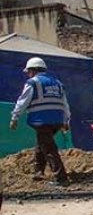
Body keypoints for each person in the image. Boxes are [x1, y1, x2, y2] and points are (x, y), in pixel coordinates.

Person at [9, 57, 70, 186]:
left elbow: (22, 101)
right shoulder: (57, 83)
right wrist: (66, 120)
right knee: (42, 144)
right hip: (57, 121)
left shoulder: (33, 83)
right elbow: (65, 104)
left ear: (33, 70)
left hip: (41, 121)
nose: (28, 74)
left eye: (28, 72)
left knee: (49, 149)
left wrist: (15, 117)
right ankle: (38, 172)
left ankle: (61, 178)